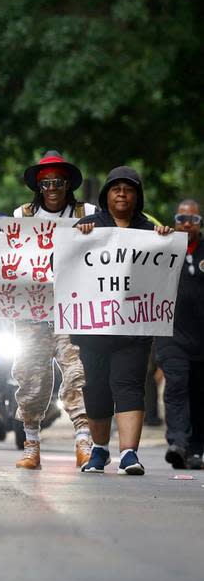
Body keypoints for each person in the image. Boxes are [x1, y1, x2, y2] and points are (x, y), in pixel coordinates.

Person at [74, 167, 174, 475]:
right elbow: (61, 266)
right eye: (115, 188)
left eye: (128, 189)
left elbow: (166, 271)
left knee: (129, 385)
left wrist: (165, 241)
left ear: (137, 196)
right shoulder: (88, 226)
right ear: (106, 195)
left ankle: (129, 453)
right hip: (94, 329)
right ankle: (99, 452)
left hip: (134, 328)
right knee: (97, 388)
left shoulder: (149, 231)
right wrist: (77, 240)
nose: (121, 193)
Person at [3, 152, 97, 470]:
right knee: (30, 379)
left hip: (75, 309)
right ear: (39, 187)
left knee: (77, 375)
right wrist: (3, 236)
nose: (52, 188)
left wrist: (94, 233)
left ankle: (84, 441)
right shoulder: (23, 215)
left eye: (58, 182)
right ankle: (31, 444)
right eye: (46, 183)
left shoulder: (89, 214)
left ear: (68, 183)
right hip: (32, 310)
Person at [156, 199, 204, 470]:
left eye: (193, 220)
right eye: (181, 219)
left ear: (199, 224)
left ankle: (196, 449)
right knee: (175, 387)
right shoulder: (161, 249)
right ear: (174, 221)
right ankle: (177, 443)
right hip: (172, 334)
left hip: (201, 337)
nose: (187, 224)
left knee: (199, 393)